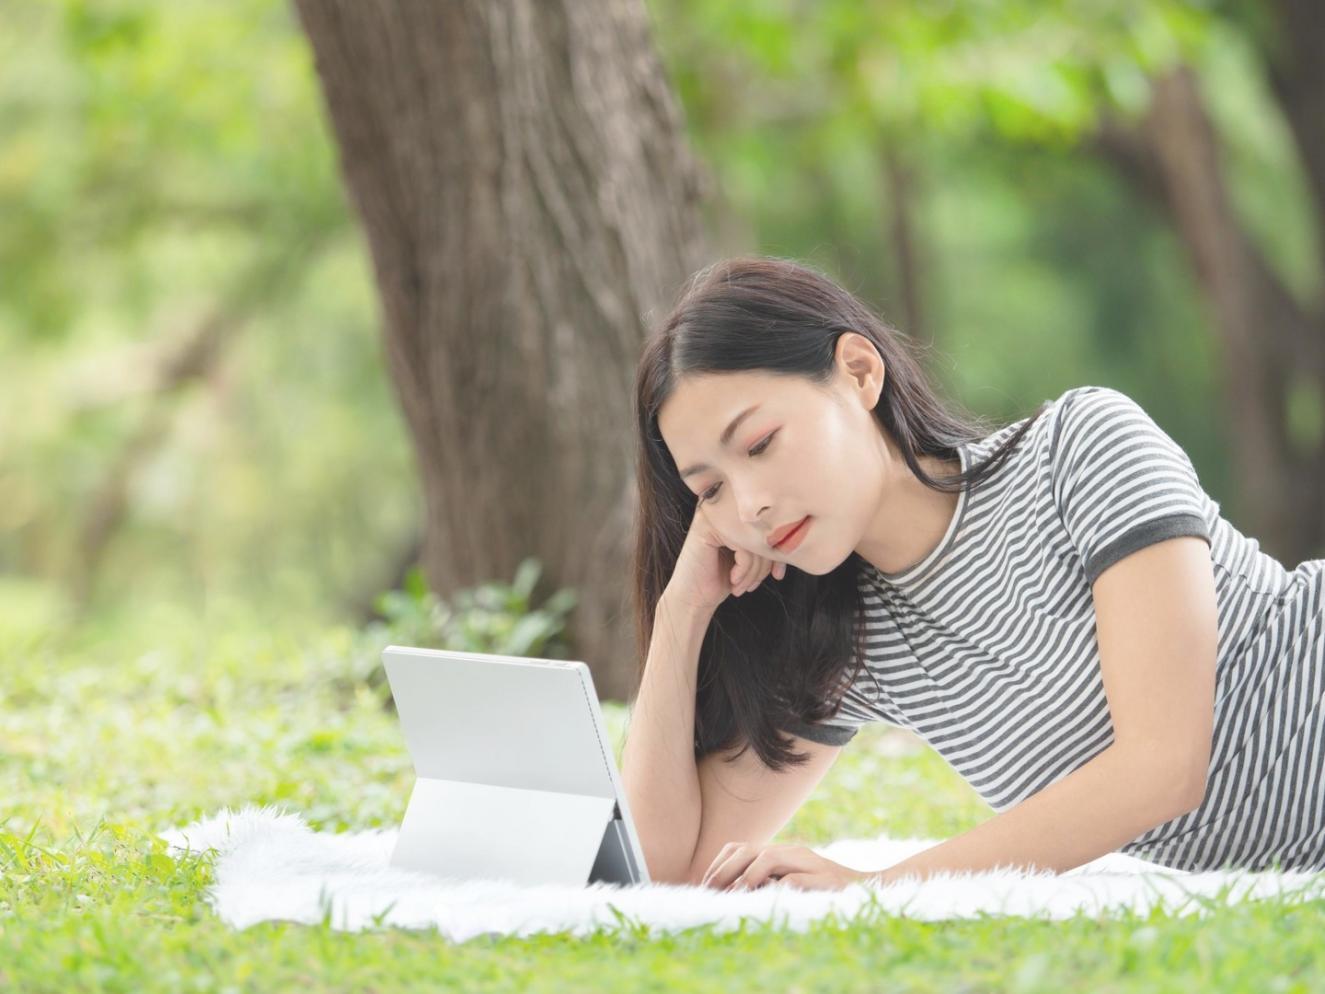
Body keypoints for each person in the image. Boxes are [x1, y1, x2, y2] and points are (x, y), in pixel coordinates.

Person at [619, 254, 1325, 892]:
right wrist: (684, 608)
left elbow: (1163, 769)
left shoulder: (1079, 450)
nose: (750, 505)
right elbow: (669, 870)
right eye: (710, 489)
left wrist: (877, 887)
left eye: (759, 443)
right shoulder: (848, 641)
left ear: (859, 372)